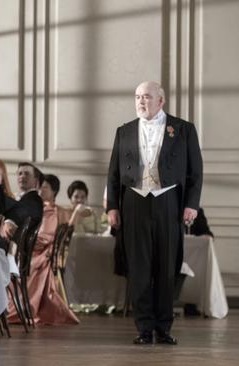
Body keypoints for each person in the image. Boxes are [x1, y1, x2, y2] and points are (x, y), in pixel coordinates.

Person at [107, 81, 203, 345]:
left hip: (168, 201)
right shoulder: (124, 131)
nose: (141, 101)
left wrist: (191, 204)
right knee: (138, 267)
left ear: (160, 101)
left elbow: (195, 172)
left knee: (166, 266)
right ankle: (143, 328)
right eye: (137, 96)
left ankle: (163, 327)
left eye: (146, 97)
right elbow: (113, 173)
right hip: (133, 202)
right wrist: (112, 206)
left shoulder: (183, 129)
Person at [24, 174, 79, 325]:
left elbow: (44, 238)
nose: (41, 191)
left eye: (45, 187)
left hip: (43, 251)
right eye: (39, 187)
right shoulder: (42, 208)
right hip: (39, 248)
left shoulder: (51, 211)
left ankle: (23, 307)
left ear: (54, 191)